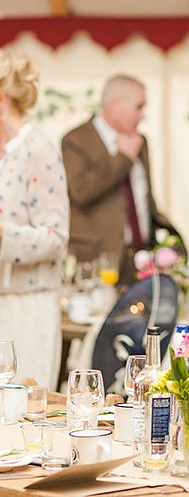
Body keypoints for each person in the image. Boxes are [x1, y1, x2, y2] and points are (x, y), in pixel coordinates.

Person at [62, 75, 180, 288]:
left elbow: (143, 196)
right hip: (97, 257)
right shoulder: (76, 140)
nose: (142, 115)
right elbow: (80, 192)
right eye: (139, 107)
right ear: (115, 105)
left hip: (140, 257)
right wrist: (122, 159)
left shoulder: (140, 142)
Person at [0, 51, 69, 388]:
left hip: (26, 308)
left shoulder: (38, 150)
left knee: (23, 417)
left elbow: (56, 238)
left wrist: (3, 236)